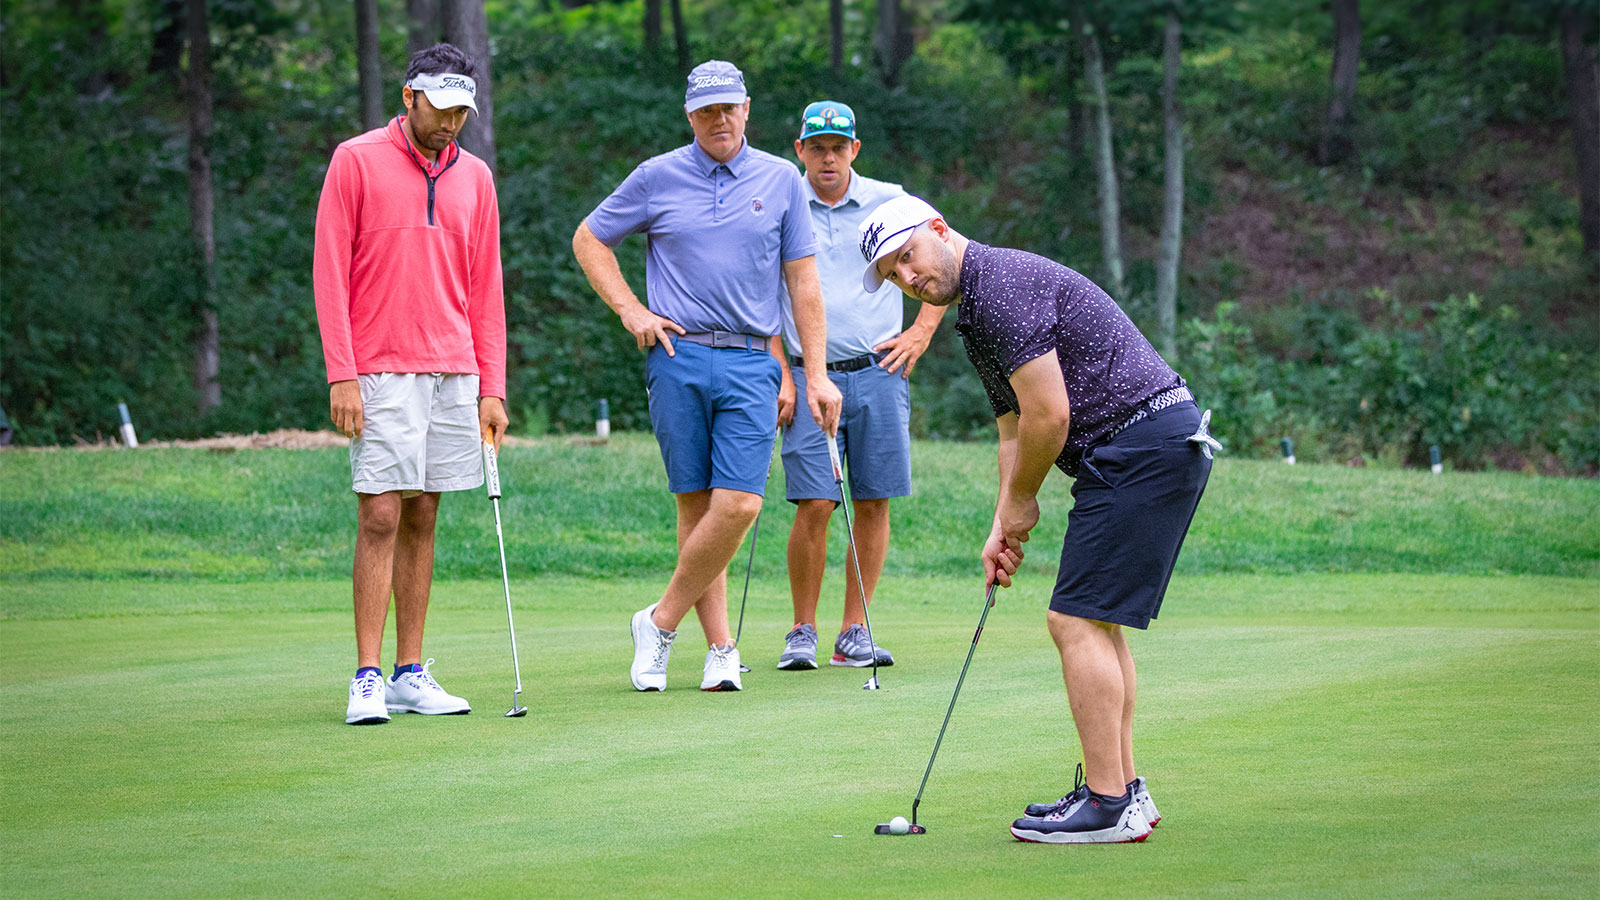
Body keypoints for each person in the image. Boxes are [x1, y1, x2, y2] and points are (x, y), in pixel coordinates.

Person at [859, 195, 1219, 843]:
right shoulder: (973, 314)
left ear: (938, 229)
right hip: (1144, 447)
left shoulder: (1001, 287)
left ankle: (1108, 804)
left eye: (907, 257)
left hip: (1142, 444)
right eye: (892, 275)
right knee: (1096, 620)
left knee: (1074, 618)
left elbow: (1049, 417)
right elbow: (1013, 428)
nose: (908, 279)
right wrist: (1003, 522)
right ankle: (1125, 791)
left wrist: (1026, 501)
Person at [572, 60, 842, 693]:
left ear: (747, 109)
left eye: (729, 108)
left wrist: (816, 373)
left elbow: (803, 283)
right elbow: (590, 238)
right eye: (706, 110)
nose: (719, 120)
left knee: (741, 502)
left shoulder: (780, 180)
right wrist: (630, 309)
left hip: (753, 358)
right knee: (694, 504)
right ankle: (720, 647)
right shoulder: (656, 176)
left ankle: (658, 622)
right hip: (678, 355)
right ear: (690, 115)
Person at [314, 43, 508, 725]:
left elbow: (487, 289)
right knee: (381, 513)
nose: (451, 122)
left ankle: (408, 671)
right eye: (442, 108)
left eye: (462, 111)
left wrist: (493, 386)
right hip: (379, 365)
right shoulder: (356, 160)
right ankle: (367, 675)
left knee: (425, 512)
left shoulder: (476, 177)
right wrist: (343, 372)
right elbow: (329, 273)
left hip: (454, 367)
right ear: (409, 97)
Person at [771, 101, 947, 671]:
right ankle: (803, 629)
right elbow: (757, 292)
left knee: (873, 500)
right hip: (806, 374)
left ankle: (854, 630)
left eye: (838, 147)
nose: (828, 157)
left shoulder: (890, 199)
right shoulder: (780, 197)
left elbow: (949, 252)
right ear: (800, 150)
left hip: (879, 370)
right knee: (817, 501)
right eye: (816, 146)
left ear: (855, 150)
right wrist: (782, 370)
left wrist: (921, 330)